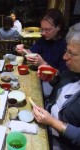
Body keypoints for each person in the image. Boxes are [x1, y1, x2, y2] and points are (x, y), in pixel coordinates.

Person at [32, 22, 80, 150]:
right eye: (66, 51)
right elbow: (63, 85)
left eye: (71, 53)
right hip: (45, 125)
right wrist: (51, 77)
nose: (65, 57)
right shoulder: (72, 72)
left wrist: (53, 122)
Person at [16, 8, 67, 72]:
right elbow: (30, 53)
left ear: (59, 27)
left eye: (47, 30)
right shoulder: (43, 40)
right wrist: (22, 51)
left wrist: (42, 64)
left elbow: (63, 75)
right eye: (42, 29)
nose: (43, 33)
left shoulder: (66, 45)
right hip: (40, 77)